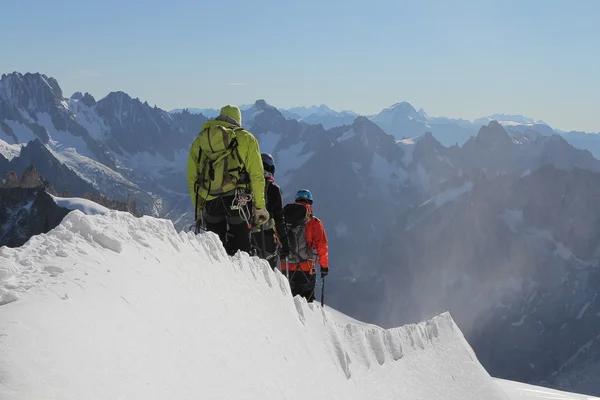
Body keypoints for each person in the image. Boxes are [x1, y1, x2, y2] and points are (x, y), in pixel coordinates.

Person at [187, 105, 269, 255]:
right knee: (241, 249)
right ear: (238, 120)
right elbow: (257, 176)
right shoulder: (246, 139)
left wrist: (198, 208)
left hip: (210, 199)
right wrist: (259, 207)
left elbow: (192, 177)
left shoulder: (201, 140)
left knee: (216, 247)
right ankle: (239, 275)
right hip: (238, 200)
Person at [280, 189, 329, 302]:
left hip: (286, 266)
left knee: (288, 300)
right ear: (310, 202)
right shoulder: (314, 222)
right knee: (306, 303)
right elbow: (322, 246)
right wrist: (324, 267)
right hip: (306, 269)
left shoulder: (284, 218)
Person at [251, 153, 290, 269]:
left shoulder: (247, 186)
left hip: (246, 234)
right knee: (266, 273)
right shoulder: (273, 189)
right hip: (266, 238)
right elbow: (279, 219)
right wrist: (285, 243)